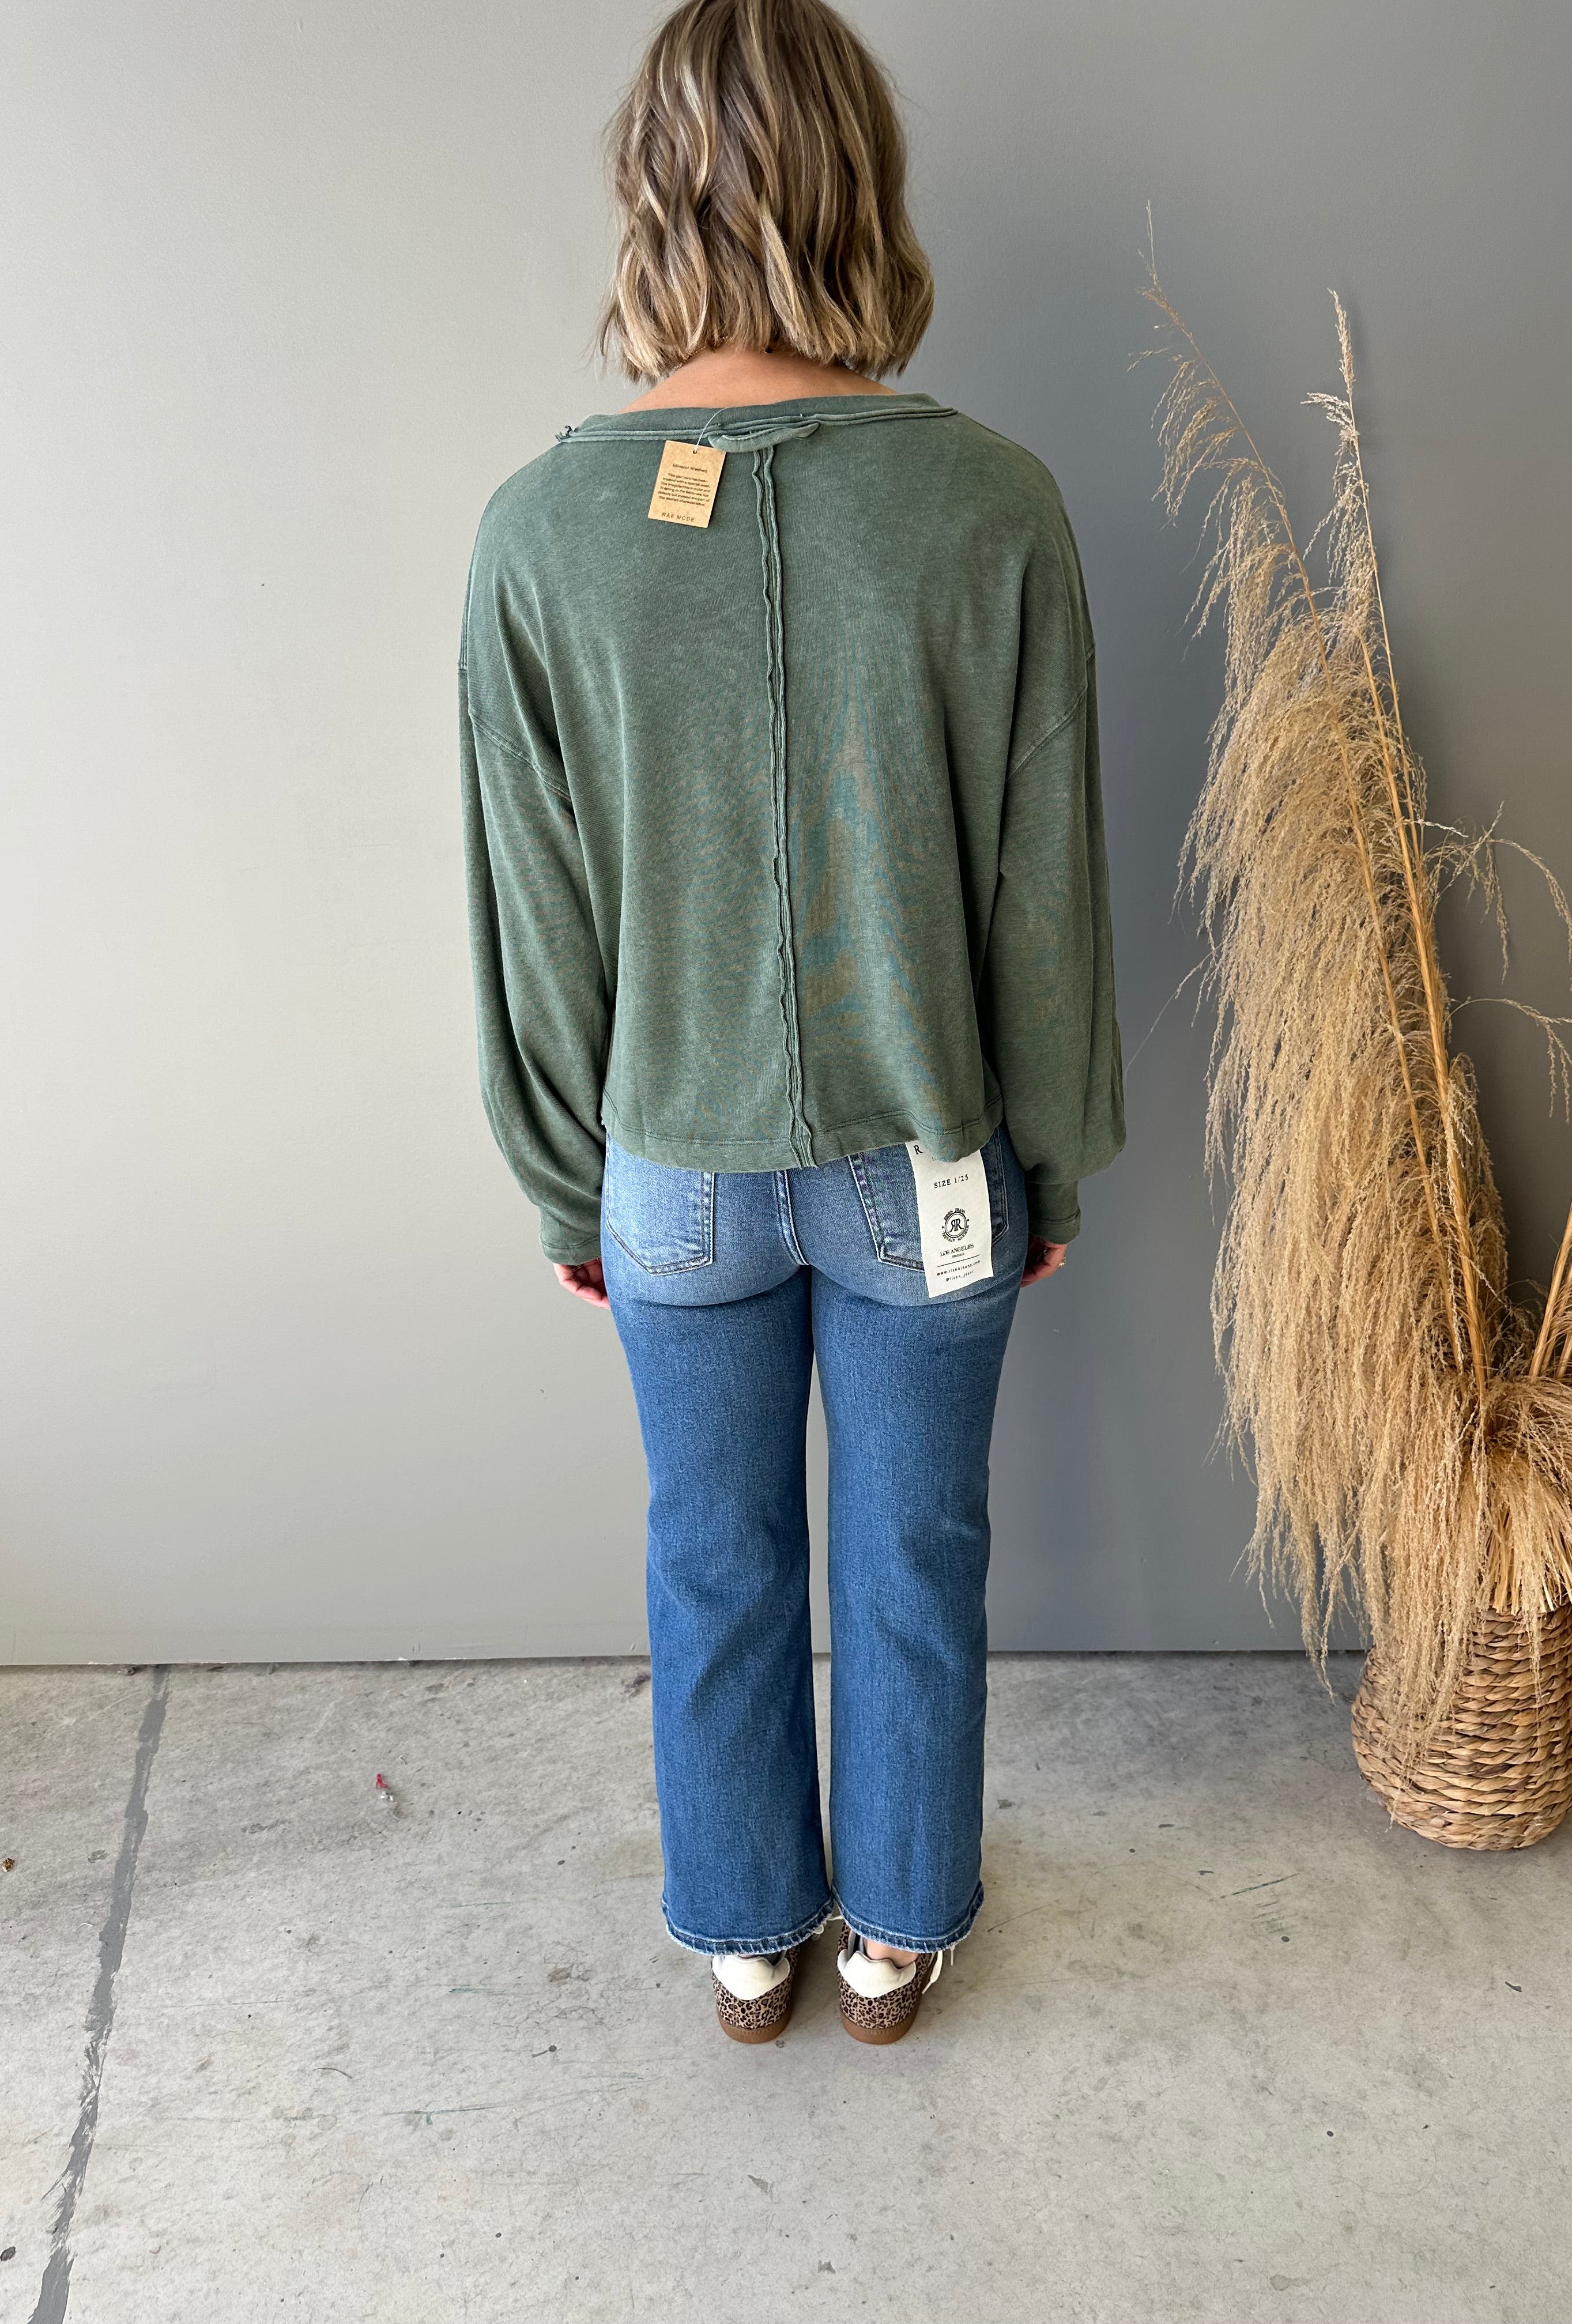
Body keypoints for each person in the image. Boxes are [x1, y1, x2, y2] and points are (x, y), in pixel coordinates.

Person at [458, 0, 1124, 2045]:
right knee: (920, 1551)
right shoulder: (992, 506)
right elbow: (1041, 891)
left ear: (652, 199)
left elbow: (536, 913)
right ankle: (897, 1933)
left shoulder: (541, 532)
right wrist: (1049, 1161)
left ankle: (748, 1932)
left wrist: (564, 1180)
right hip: (930, 1158)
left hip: (670, 1162)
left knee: (710, 1553)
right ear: (865, 192)